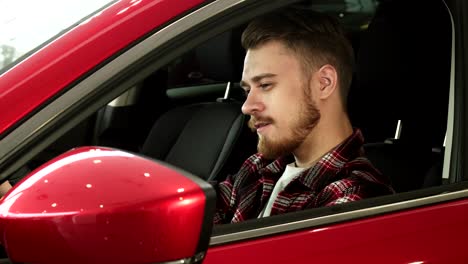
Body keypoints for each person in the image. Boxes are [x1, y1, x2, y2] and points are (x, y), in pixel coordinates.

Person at [213, 8, 394, 225]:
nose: (247, 106)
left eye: (265, 85)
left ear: (323, 83)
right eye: (247, 90)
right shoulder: (259, 169)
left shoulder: (355, 200)